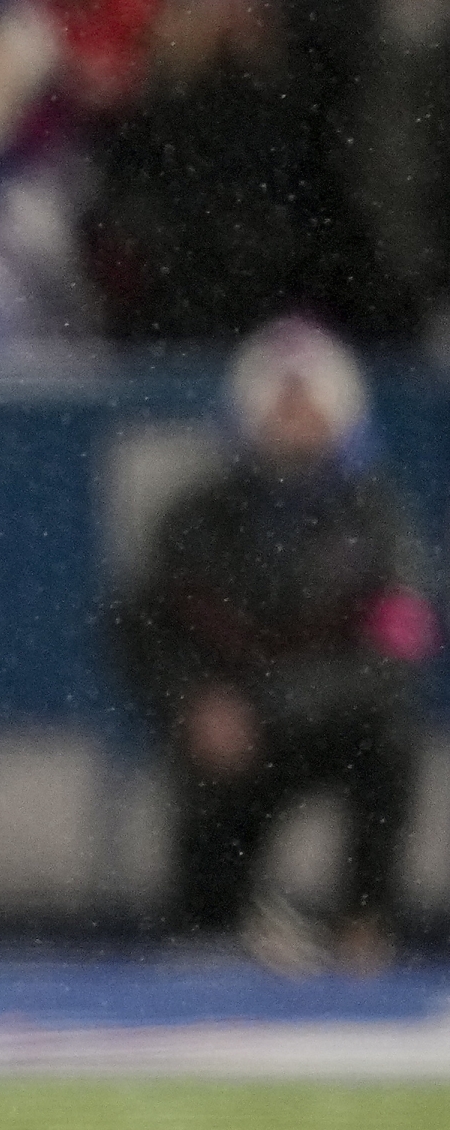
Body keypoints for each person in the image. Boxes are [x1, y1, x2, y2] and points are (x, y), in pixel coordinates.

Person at [109, 317, 434, 973]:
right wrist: (194, 701)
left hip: (331, 726)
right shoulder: (196, 518)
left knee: (392, 749)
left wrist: (279, 706)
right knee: (205, 920)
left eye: (308, 401)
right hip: (229, 736)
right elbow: (139, 628)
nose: (294, 418)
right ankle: (218, 922)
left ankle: (363, 923)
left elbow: (398, 644)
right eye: (279, 401)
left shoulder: (376, 518)